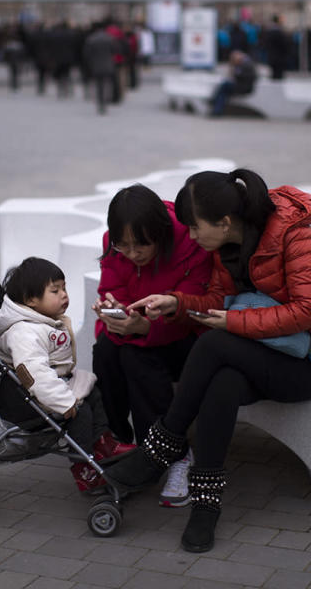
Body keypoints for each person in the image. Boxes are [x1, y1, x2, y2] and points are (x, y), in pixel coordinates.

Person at [104, 168, 311, 552]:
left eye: (194, 228)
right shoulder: (225, 249)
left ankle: (160, 447)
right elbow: (216, 303)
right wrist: (175, 302)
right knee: (220, 385)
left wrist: (233, 321)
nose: (189, 236)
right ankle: (206, 506)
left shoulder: (294, 234)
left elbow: (307, 311)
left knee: (213, 345)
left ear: (223, 222)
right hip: (259, 355)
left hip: (306, 364)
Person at [91, 185, 213, 507]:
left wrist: (146, 327)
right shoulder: (112, 246)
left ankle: (172, 453)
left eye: (141, 244)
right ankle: (117, 442)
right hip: (138, 332)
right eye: (123, 245)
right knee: (105, 350)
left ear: (160, 233)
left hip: (187, 339)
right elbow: (112, 289)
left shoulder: (191, 243)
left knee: (135, 354)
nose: (132, 254)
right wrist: (111, 312)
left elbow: (193, 312)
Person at [0, 258, 135, 493]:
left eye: (64, 288)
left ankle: (102, 442)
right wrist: (63, 401)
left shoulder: (40, 321)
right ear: (30, 300)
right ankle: (83, 466)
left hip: (55, 382)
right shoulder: (24, 333)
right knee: (81, 411)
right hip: (31, 396)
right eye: (55, 290)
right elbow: (34, 374)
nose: (64, 295)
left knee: (94, 390)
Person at [83, 23, 119, 115]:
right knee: (107, 84)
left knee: (98, 85)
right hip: (108, 64)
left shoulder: (91, 39)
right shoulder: (110, 38)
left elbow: (87, 54)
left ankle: (100, 102)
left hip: (96, 64)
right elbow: (115, 50)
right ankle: (105, 101)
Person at [209, 50, 257, 117]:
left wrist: (234, 68)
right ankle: (216, 107)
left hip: (244, 88)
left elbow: (239, 76)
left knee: (224, 87)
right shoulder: (245, 63)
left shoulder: (246, 64)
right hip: (242, 86)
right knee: (223, 91)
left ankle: (214, 105)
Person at [264, 15, 288, 80]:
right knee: (279, 74)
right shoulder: (280, 32)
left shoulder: (269, 31)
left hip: (272, 55)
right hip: (279, 56)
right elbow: (284, 44)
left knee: (274, 73)